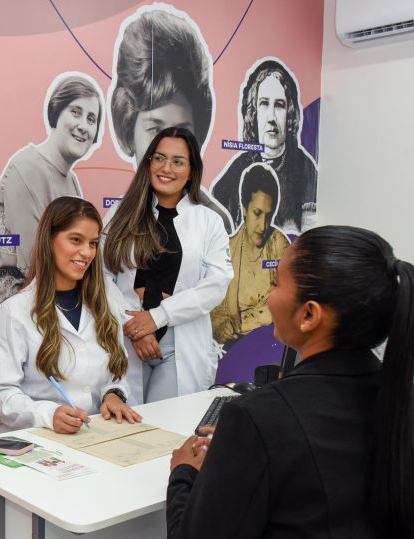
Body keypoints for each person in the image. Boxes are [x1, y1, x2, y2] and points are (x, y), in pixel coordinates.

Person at [167, 226, 414, 538]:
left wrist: (183, 473)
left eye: (274, 284)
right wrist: (245, 449)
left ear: (309, 315)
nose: (267, 296)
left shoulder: (257, 419)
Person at [0, 196, 141, 435]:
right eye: (76, 240)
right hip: (32, 438)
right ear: (49, 240)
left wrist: (113, 395)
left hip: (90, 435)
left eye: (92, 243)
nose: (87, 252)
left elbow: (115, 375)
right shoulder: (12, 313)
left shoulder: (106, 307)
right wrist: (48, 415)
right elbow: (1, 394)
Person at [103, 127, 232, 404]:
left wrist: (158, 317)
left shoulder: (208, 221)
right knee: (125, 433)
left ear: (191, 169)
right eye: (159, 158)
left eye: (178, 161)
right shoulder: (119, 214)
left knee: (165, 430)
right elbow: (101, 277)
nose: (166, 168)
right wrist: (134, 326)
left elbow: (216, 285)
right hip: (126, 339)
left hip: (178, 343)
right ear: (148, 162)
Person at [0, 73, 103, 325]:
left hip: (59, 303)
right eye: (76, 112)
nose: (83, 125)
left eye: (91, 119)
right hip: (19, 310)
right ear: (56, 112)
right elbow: (34, 264)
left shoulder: (70, 180)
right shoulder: (27, 167)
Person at [108, 4, 233, 234]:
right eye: (155, 129)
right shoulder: (115, 219)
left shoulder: (213, 221)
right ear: (128, 129)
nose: (169, 147)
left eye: (182, 132)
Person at [211, 58, 317, 234]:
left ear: (290, 114)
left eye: (279, 105)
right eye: (264, 104)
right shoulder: (235, 172)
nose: (271, 117)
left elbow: (309, 238)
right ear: (253, 113)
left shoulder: (305, 169)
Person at [211, 164, 290, 346]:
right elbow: (211, 308)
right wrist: (218, 327)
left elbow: (288, 300)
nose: (263, 226)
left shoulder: (279, 245)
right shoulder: (227, 249)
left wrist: (241, 324)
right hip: (231, 353)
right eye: (257, 213)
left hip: (271, 346)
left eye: (269, 216)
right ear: (244, 208)